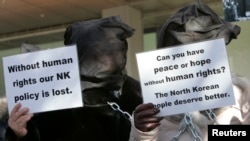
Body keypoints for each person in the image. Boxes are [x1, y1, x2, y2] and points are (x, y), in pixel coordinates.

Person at [4, 16, 142, 141]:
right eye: (96, 54)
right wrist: (20, 134)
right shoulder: (52, 95)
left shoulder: (137, 94)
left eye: (109, 51)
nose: (103, 62)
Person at [129, 0, 250, 141]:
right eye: (180, 53)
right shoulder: (155, 105)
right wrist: (143, 132)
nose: (190, 64)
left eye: (201, 53)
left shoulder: (243, 94)